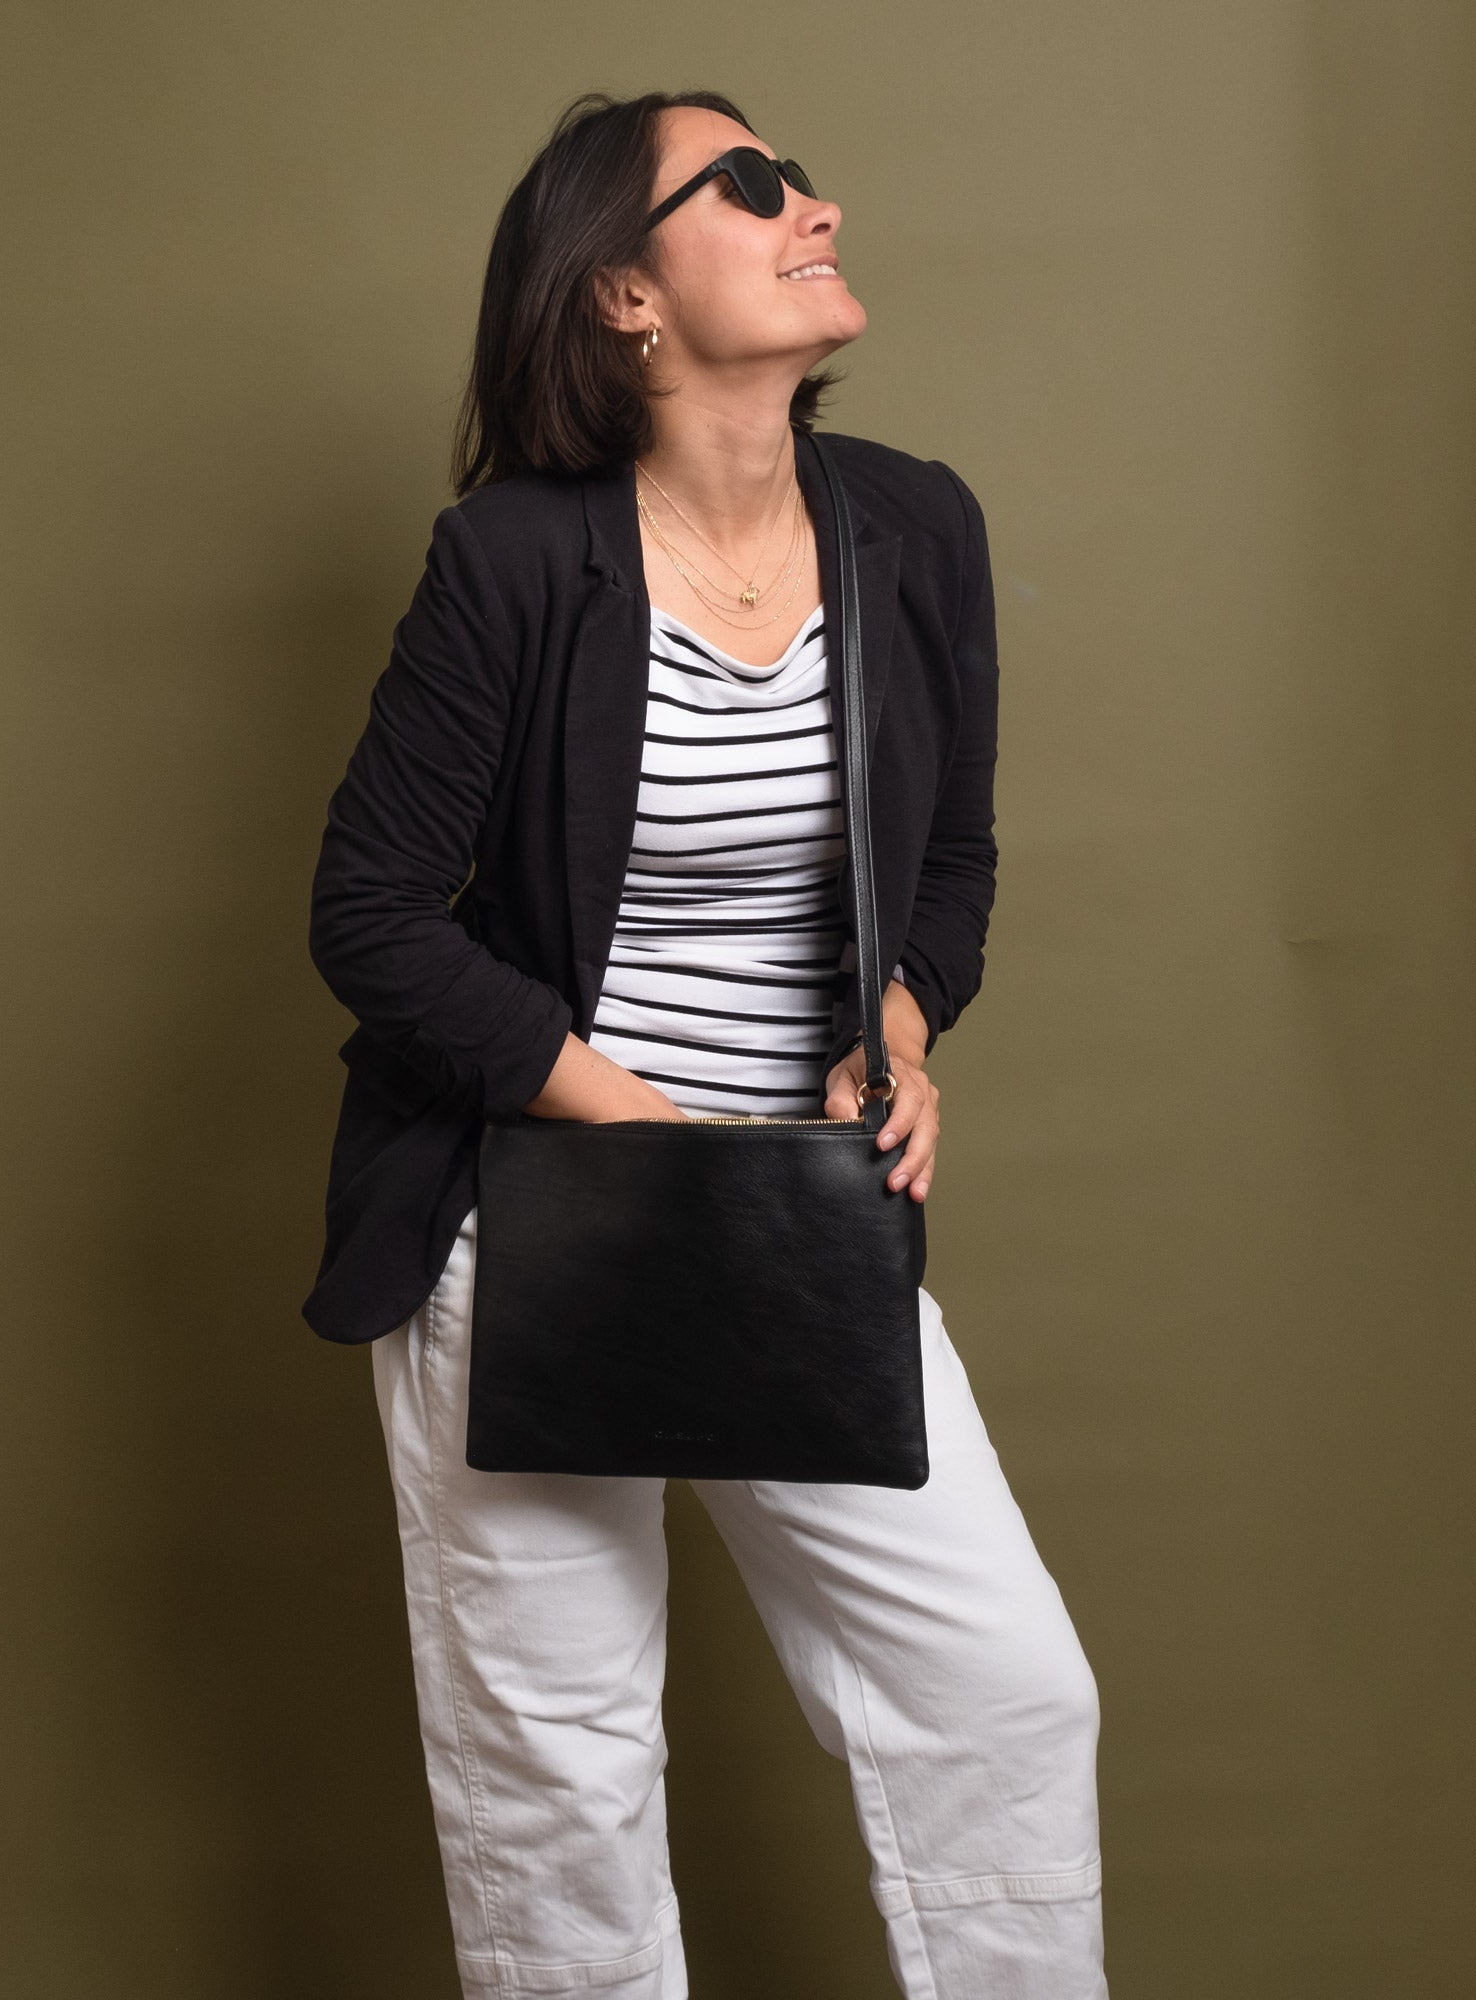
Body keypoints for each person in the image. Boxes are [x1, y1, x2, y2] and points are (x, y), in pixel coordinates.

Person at [304, 88, 1106, 2000]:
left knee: (1004, 1695)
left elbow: (952, 861)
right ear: (623, 295)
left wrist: (899, 1030)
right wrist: (631, 1127)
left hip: (798, 1227)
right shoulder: (513, 562)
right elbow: (372, 915)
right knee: (564, 1785)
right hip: (528, 1222)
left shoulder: (914, 527)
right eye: (747, 185)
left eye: (797, 173)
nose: (812, 202)